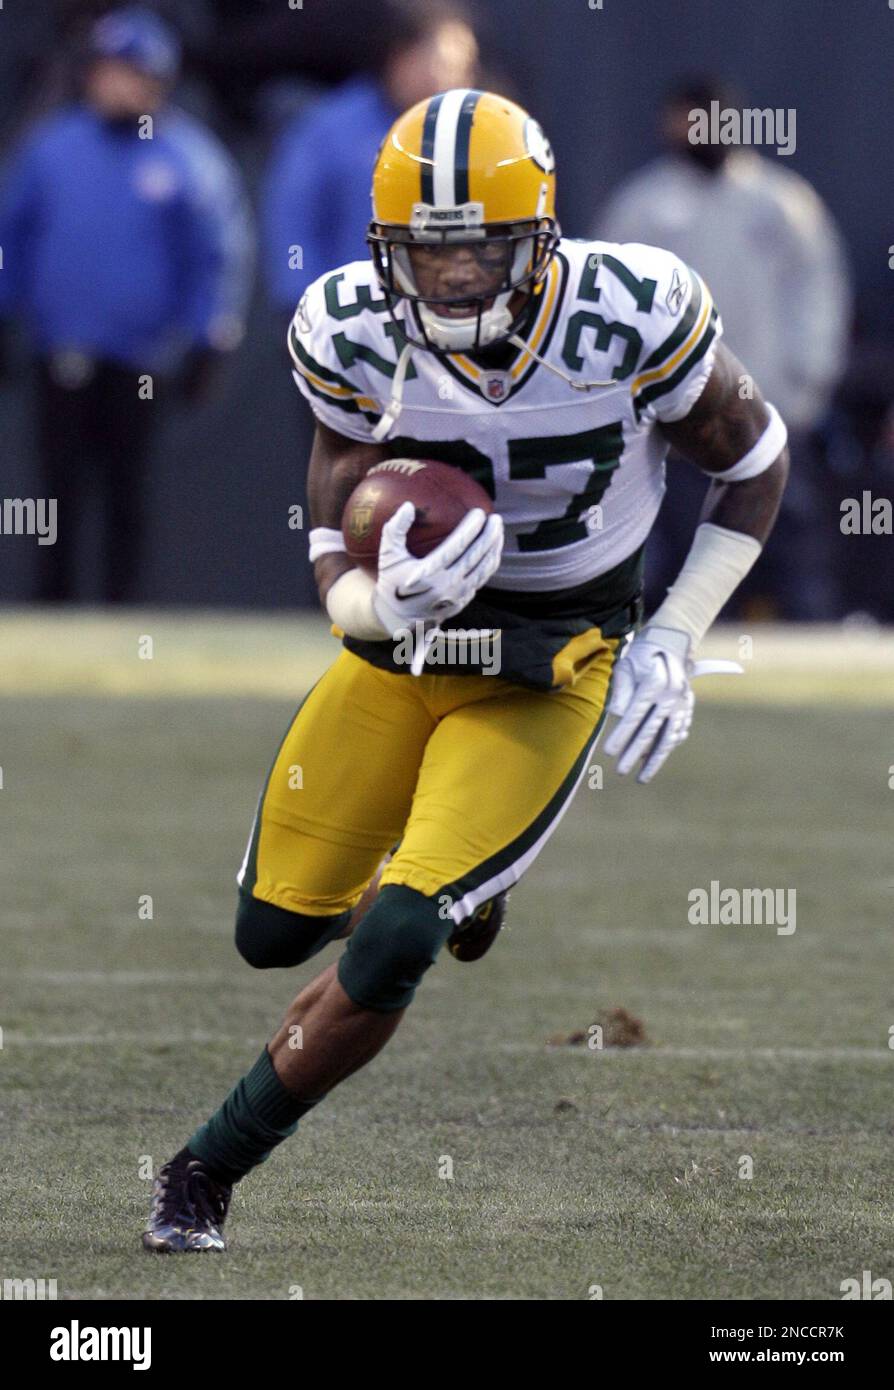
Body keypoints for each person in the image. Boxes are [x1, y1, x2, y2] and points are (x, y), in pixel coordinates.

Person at [143, 89, 788, 1252]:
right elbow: (330, 525)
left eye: (479, 247)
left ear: (538, 233)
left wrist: (675, 634)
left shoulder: (634, 313)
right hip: (407, 646)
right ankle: (464, 884)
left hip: (554, 653)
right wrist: (373, 602)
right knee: (270, 935)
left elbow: (758, 460)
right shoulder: (345, 325)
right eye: (423, 252)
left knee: (394, 937)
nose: (449, 280)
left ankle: (205, 1169)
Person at [0, 6, 253, 601]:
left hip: (143, 359)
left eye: (133, 72)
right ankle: (48, 607)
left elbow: (217, 255)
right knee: (53, 490)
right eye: (109, 70)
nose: (119, 84)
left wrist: (210, 336)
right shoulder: (52, 148)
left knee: (128, 491)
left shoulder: (188, 158)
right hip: (62, 347)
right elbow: (11, 238)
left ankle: (122, 614)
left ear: (160, 81)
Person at [596, 76, 850, 619]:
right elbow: (607, 301)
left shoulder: (780, 202)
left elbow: (819, 288)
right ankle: (685, 635)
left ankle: (815, 634)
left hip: (777, 400)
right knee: (687, 533)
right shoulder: (644, 206)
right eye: (681, 120)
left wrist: (809, 376)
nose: (692, 132)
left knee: (792, 529)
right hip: (681, 409)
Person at [261, 0, 478, 315]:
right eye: (444, 63)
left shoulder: (477, 138)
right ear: (401, 56)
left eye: (466, 67)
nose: (456, 79)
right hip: (349, 321)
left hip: (445, 325)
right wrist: (301, 303)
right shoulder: (330, 130)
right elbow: (292, 220)